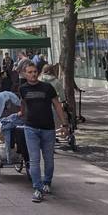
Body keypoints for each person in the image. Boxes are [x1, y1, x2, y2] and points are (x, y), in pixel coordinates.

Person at [20, 63, 68, 203]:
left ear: (38, 73)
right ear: (25, 74)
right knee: (34, 160)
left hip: (48, 128)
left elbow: (57, 105)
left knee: (48, 159)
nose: (33, 74)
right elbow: (23, 103)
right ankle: (37, 189)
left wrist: (64, 124)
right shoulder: (23, 89)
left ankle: (47, 182)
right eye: (30, 72)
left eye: (35, 71)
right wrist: (22, 114)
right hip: (31, 128)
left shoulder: (47, 87)